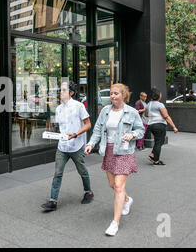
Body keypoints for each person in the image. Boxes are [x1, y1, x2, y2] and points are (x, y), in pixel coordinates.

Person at [84, 83, 145, 236]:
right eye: (111, 93)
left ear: (123, 95)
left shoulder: (131, 112)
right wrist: (91, 144)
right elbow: (98, 129)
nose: (112, 96)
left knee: (118, 186)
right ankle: (127, 199)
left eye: (116, 93)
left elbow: (140, 129)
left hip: (124, 151)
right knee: (112, 184)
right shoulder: (105, 111)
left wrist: (133, 135)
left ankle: (115, 223)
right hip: (109, 150)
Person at [41, 81, 94, 211]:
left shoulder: (79, 106)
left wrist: (76, 134)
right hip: (62, 146)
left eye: (63, 90)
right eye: (60, 90)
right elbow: (61, 128)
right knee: (58, 173)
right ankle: (53, 201)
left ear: (71, 93)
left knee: (82, 171)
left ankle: (88, 192)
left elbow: (88, 125)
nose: (60, 92)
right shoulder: (58, 109)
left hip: (77, 145)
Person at [145, 88, 178, 166]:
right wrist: (174, 127)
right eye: (160, 94)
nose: (161, 95)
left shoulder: (148, 104)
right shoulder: (160, 105)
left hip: (151, 125)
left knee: (158, 141)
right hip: (159, 125)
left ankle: (153, 154)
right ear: (158, 96)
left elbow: (146, 115)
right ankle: (156, 161)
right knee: (159, 142)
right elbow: (166, 116)